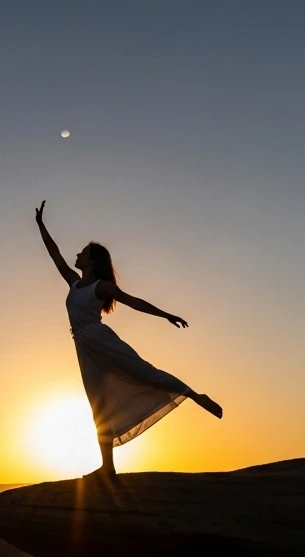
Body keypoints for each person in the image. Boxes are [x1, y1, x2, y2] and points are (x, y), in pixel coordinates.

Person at [35, 200, 222, 479]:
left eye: (83, 252)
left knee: (144, 372)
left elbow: (134, 302)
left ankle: (193, 395)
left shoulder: (102, 287)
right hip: (84, 348)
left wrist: (166, 315)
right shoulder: (74, 282)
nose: (77, 254)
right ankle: (108, 468)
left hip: (100, 339)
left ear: (93, 261)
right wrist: (40, 224)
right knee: (97, 404)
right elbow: (55, 254)